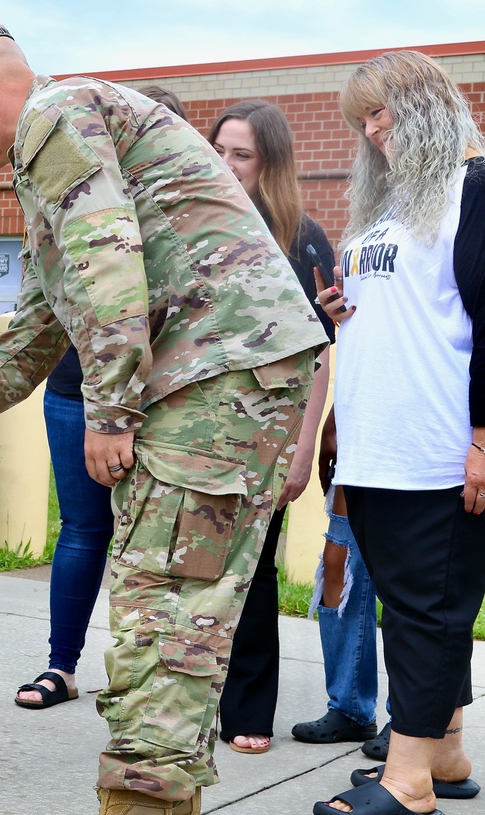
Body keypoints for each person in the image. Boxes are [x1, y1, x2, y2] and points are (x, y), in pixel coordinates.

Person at [0, 11, 329, 814]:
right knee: (169, 616)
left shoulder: (55, 117)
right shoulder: (59, 142)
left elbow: (107, 260)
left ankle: (144, 800)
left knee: (163, 618)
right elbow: (43, 323)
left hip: (213, 375)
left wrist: (109, 411)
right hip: (223, 372)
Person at [311, 50, 485, 815]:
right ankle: (442, 750)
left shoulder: (473, 190)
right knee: (410, 603)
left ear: (424, 103)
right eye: (362, 120)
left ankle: (409, 783)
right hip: (376, 446)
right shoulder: (394, 203)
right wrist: (343, 305)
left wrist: (483, 439)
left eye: (380, 112)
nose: (372, 131)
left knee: (428, 608)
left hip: (440, 445)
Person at [15, 85, 189, 712]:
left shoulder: (177, 210)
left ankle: (155, 684)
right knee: (85, 530)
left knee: (158, 542)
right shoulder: (76, 187)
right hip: (74, 392)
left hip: (164, 398)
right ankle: (61, 666)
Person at [208, 99, 336, 755]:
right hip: (194, 430)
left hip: (268, 434)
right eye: (220, 150)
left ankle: (248, 708)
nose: (226, 165)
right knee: (190, 575)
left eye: (243, 155)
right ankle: (188, 702)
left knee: (251, 576)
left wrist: (301, 446)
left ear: (271, 163)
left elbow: (318, 355)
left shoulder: (303, 239)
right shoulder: (190, 228)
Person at [291, 406, 387, 758]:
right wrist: (334, 421)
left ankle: (410, 721)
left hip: (423, 440)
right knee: (339, 563)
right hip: (361, 431)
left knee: (406, 582)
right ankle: (349, 709)